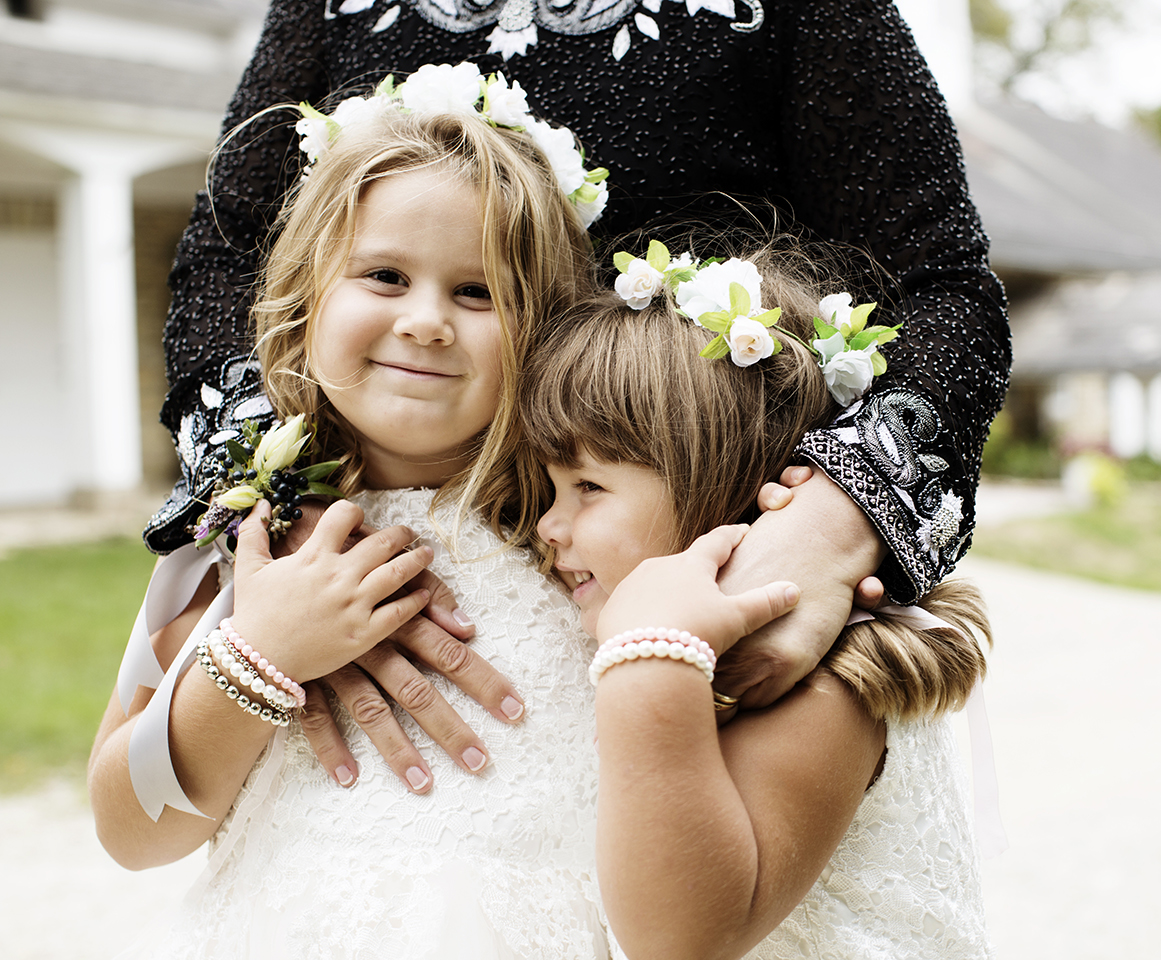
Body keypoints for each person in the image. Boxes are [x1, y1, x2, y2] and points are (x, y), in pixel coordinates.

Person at [146, 0, 1012, 785]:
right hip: (385, 528)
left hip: (710, 560)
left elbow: (944, 287)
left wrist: (827, 532)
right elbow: (228, 252)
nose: (426, 317)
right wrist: (280, 512)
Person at [94, 71, 620, 956]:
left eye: (477, 293)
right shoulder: (240, 542)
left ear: (548, 329)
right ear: (307, 299)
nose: (424, 322)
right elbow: (130, 830)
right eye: (384, 275)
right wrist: (259, 656)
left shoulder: (580, 537)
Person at [518, 244, 995, 958]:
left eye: (589, 487)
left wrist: (647, 660)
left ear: (724, 481)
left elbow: (678, 937)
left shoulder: (825, 682)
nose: (547, 526)